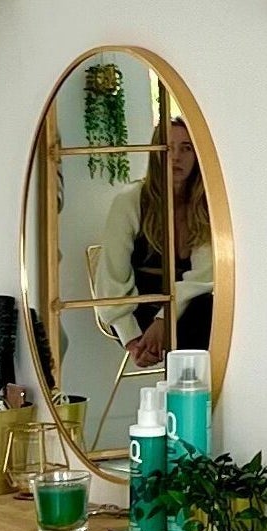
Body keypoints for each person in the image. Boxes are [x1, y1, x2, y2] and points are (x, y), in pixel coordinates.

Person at [89, 117, 212, 370]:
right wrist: (132, 339)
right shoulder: (130, 202)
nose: (176, 156)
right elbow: (112, 279)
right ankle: (187, 396)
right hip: (136, 313)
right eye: (168, 147)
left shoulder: (205, 206)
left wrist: (165, 320)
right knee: (198, 324)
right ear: (156, 151)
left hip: (185, 308)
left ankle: (190, 395)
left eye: (186, 148)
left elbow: (204, 277)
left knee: (205, 310)